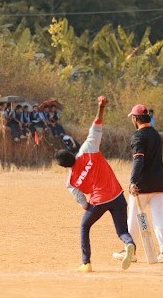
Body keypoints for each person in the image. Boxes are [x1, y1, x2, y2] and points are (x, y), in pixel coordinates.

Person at [54, 95, 136, 273]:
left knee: (84, 226)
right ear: (71, 152)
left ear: (62, 166)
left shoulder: (71, 181)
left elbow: (83, 203)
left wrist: (92, 205)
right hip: (117, 194)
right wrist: (101, 106)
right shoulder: (87, 150)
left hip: (98, 201)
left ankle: (86, 263)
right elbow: (96, 126)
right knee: (121, 230)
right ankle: (129, 244)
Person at [115, 103, 163, 264]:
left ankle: (130, 250)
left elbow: (138, 160)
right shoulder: (156, 135)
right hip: (159, 183)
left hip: (142, 185)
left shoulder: (138, 136)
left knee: (133, 217)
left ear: (135, 119)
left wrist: (133, 181)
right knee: (159, 216)